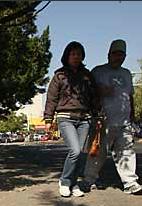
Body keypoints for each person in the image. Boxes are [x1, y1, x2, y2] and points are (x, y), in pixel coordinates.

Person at [83, 39, 142, 195]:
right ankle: (89, 179)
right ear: (109, 55)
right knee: (98, 152)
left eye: (121, 55)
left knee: (127, 152)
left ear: (125, 56)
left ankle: (130, 182)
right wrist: (99, 92)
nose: (118, 57)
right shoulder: (98, 71)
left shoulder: (126, 73)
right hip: (103, 121)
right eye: (115, 54)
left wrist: (132, 115)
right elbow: (87, 94)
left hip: (124, 122)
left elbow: (129, 96)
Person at [44, 41, 98, 197]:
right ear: (67, 56)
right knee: (74, 150)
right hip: (65, 117)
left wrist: (97, 113)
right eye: (73, 54)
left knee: (81, 153)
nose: (76, 57)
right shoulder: (59, 75)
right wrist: (48, 119)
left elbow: (93, 97)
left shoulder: (87, 75)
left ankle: (74, 184)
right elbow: (52, 98)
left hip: (85, 118)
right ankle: (65, 181)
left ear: (82, 57)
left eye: (79, 54)